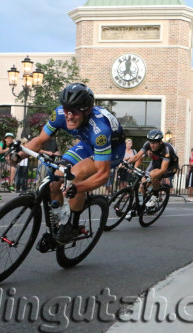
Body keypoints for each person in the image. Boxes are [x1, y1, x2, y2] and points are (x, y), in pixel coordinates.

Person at [11, 83, 125, 244]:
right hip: (86, 144)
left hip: (111, 151)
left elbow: (103, 175)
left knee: (75, 176)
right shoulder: (59, 113)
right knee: (54, 181)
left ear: (87, 111)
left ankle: (72, 225)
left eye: (75, 112)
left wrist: (77, 188)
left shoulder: (101, 129)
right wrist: (19, 155)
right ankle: (61, 219)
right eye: (67, 110)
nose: (69, 116)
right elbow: (40, 140)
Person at [127, 129, 179, 208]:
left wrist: (151, 177)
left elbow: (163, 169)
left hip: (170, 166)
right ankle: (142, 202)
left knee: (153, 175)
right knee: (142, 184)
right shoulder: (148, 144)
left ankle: (155, 196)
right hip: (157, 162)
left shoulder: (167, 149)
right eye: (151, 143)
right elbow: (137, 156)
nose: (152, 145)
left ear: (160, 142)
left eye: (154, 143)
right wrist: (125, 163)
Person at [0, 132, 16, 199]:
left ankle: (10, 185)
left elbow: (10, 155)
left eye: (11, 138)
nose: (10, 139)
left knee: (13, 169)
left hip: (4, 161)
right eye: (8, 138)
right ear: (5, 139)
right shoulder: (2, 143)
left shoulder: (11, 145)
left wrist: (9, 159)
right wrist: (6, 150)